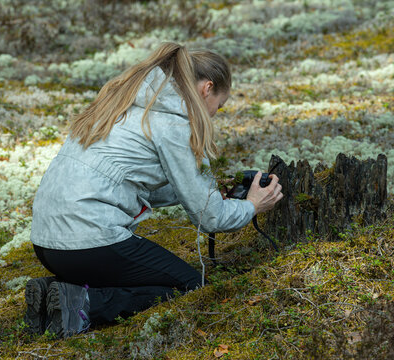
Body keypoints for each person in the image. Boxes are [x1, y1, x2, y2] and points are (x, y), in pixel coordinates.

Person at [24, 42, 283, 338]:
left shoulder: (123, 103)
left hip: (47, 245)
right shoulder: (174, 124)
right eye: (219, 107)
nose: (213, 115)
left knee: (144, 274)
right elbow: (210, 219)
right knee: (190, 286)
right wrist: (252, 205)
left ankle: (51, 296)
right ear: (207, 89)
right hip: (91, 242)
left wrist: (200, 190)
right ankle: (82, 304)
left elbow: (126, 185)